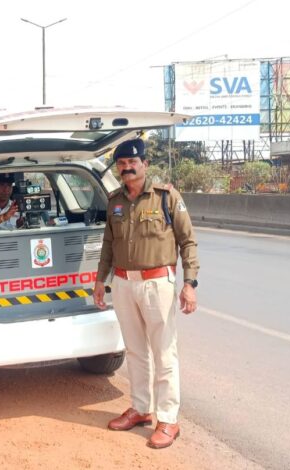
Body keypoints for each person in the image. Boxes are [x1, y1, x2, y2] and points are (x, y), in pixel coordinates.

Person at [93, 138, 199, 449]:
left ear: (144, 164)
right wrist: (100, 280)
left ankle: (168, 419)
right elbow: (109, 244)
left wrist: (189, 283)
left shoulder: (166, 197)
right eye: (121, 164)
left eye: (132, 162)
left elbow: (188, 242)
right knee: (135, 351)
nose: (127, 168)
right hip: (123, 283)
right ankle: (140, 409)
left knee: (164, 352)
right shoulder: (115, 201)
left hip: (157, 284)